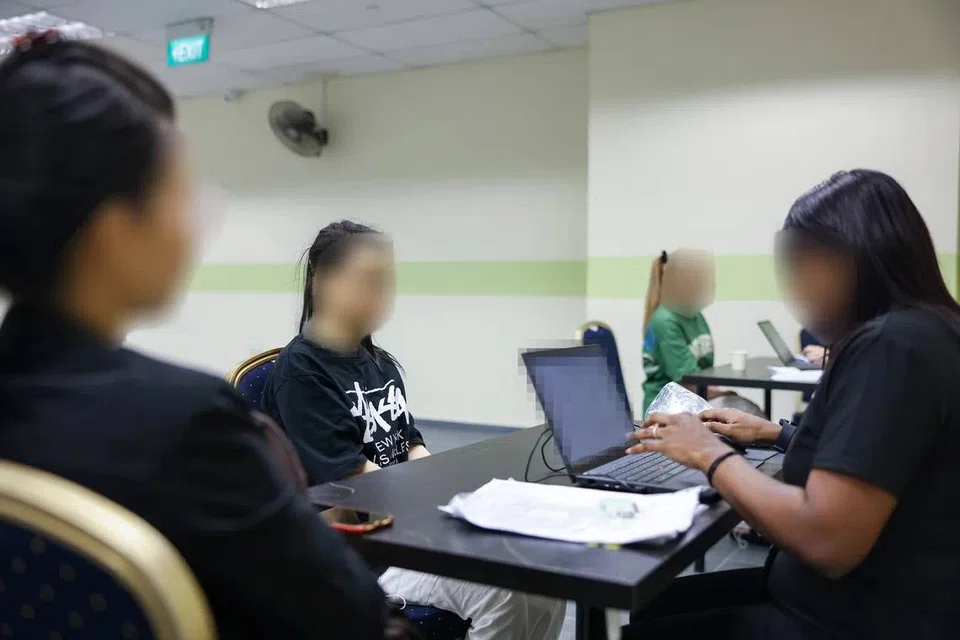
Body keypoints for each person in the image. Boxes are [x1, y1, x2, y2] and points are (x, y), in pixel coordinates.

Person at [0, 33, 414, 640]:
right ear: (113, 228)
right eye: (179, 190)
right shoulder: (187, 422)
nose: (201, 216)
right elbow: (346, 611)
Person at [627, 170, 960, 638]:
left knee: (648, 625)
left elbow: (827, 539)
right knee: (654, 606)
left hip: (850, 617)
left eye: (803, 264)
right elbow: (884, 458)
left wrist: (709, 453)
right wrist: (776, 434)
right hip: (864, 598)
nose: (796, 287)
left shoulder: (892, 346)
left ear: (852, 260)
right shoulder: (930, 329)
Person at [262, 221, 566, 640]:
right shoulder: (302, 369)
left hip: (403, 531)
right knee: (503, 591)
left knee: (548, 579)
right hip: (360, 554)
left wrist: (464, 493)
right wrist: (446, 509)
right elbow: (354, 488)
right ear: (321, 279)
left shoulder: (379, 362)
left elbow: (410, 448)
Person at [642, 248, 731, 413]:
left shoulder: (696, 316)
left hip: (695, 400)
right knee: (743, 409)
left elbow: (704, 373)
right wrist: (725, 394)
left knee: (745, 412)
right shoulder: (664, 321)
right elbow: (687, 382)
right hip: (668, 408)